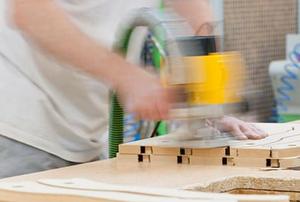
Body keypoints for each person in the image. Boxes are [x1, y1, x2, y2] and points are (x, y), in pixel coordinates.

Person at [0, 0, 267, 178]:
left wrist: (209, 94)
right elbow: (30, 12)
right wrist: (127, 77)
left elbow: (193, 10)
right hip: (24, 129)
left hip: (87, 129)